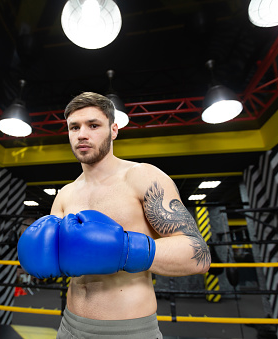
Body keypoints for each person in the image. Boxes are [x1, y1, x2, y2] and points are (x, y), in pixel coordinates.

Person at [18, 92, 211, 338]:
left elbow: (199, 255)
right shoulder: (65, 195)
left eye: (94, 125)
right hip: (69, 326)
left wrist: (126, 249)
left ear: (114, 130)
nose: (82, 134)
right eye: (74, 127)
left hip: (127, 331)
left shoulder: (142, 178)